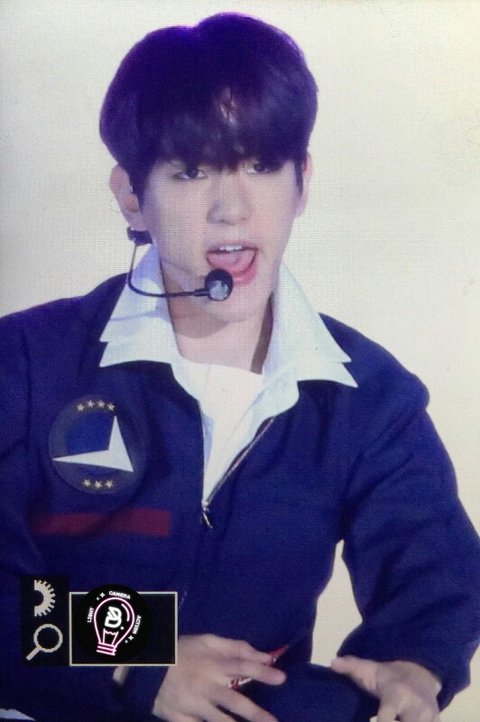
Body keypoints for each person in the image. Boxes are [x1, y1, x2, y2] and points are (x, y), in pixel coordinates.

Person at [0, 12, 479, 722]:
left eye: (261, 165)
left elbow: (435, 570)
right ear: (133, 197)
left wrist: (415, 662)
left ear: (302, 181)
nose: (232, 210)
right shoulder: (25, 362)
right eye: (191, 172)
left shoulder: (369, 397)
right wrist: (140, 656)